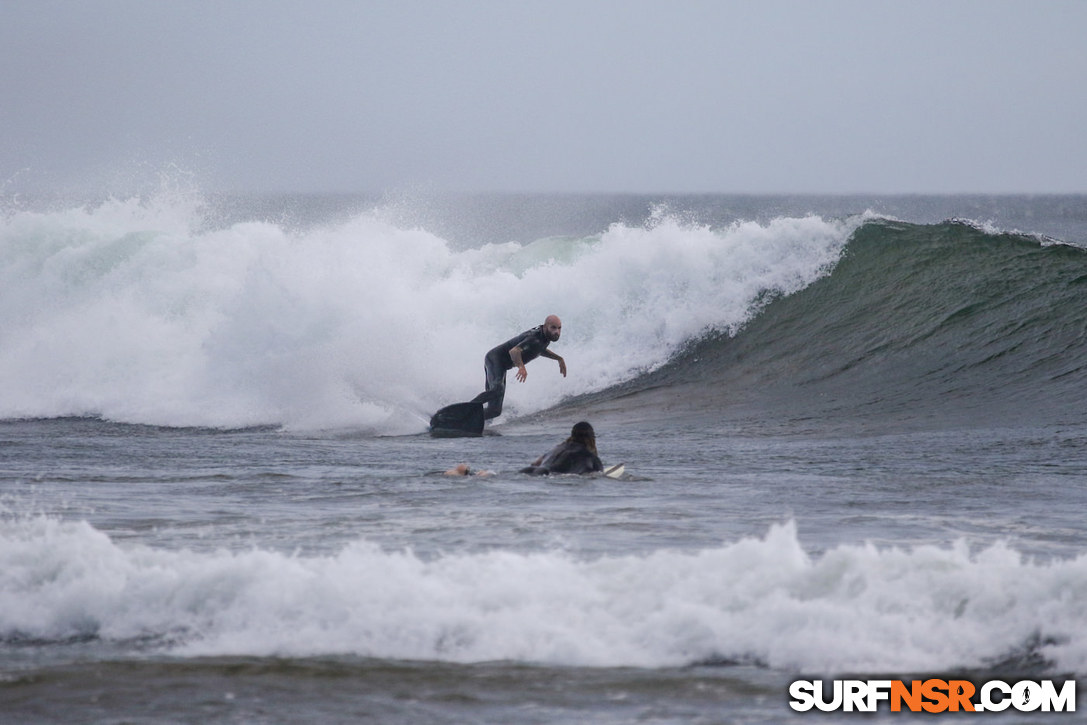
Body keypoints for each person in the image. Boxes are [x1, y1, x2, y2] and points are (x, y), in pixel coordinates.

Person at [471, 315, 566, 420]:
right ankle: (465, 410)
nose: (556, 332)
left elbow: (539, 350)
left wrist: (559, 359)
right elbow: (514, 351)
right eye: (553, 327)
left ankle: (471, 420)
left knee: (495, 411)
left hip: (501, 365)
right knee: (497, 390)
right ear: (545, 326)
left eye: (559, 328)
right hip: (494, 359)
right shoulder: (534, 337)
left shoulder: (544, 338)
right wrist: (521, 367)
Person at [520, 421, 603, 476]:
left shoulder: (557, 448)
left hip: (529, 470)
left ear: (572, 435)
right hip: (549, 475)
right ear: (591, 439)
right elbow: (595, 474)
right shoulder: (589, 456)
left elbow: (535, 463)